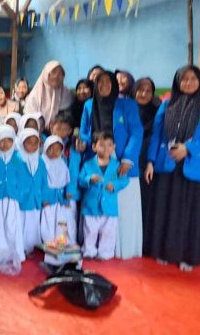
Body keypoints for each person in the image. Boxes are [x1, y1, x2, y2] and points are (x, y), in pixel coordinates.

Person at [144, 66, 200, 271]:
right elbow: (157, 135)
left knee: (191, 213)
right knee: (167, 210)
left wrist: (188, 149)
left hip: (194, 166)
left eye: (193, 79)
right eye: (184, 79)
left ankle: (188, 257)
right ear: (177, 82)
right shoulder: (167, 104)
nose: (188, 83)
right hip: (167, 164)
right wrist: (150, 161)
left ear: (199, 82)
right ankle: (163, 252)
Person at [80, 71, 143, 260]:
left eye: (108, 82)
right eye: (100, 82)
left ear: (114, 85)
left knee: (121, 202)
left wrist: (127, 159)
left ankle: (119, 248)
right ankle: (91, 247)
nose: (104, 86)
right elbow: (84, 132)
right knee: (97, 201)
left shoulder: (127, 105)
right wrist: (84, 142)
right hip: (97, 161)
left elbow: (136, 132)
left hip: (120, 163)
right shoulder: (89, 105)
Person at [79, 131, 130, 260]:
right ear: (94, 147)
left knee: (108, 231)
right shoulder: (88, 164)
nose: (106, 148)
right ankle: (89, 251)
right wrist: (89, 179)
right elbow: (80, 180)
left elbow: (124, 180)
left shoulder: (117, 165)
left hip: (110, 206)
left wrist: (115, 186)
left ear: (114, 147)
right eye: (102, 145)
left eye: (109, 145)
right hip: (91, 205)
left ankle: (105, 253)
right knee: (90, 230)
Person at [0, 125, 26, 267]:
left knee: (12, 226)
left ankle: (15, 253)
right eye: (1, 140)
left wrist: (18, 196)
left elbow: (21, 179)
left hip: (12, 198)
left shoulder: (18, 158)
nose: (5, 144)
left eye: (8, 140)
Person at [133, 77, 161, 242]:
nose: (143, 94)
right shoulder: (126, 109)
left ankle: (144, 241)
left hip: (147, 164)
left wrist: (150, 161)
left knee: (145, 201)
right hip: (127, 164)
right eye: (140, 90)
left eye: (148, 91)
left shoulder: (157, 111)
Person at [48, 113, 83, 244]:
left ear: (70, 131)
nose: (61, 132)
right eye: (58, 128)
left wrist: (70, 191)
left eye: (65, 129)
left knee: (68, 221)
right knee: (52, 221)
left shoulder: (73, 148)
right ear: (51, 127)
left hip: (68, 194)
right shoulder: (47, 146)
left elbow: (73, 171)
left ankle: (69, 245)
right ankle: (53, 246)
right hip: (53, 193)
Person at [17, 128, 48, 256]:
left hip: (35, 198)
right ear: (22, 142)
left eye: (36, 143)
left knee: (33, 223)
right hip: (21, 199)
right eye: (29, 142)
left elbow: (44, 180)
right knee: (20, 223)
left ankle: (30, 248)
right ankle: (19, 248)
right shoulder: (17, 159)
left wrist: (44, 197)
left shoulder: (40, 160)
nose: (33, 146)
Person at [24, 61, 74, 126]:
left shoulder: (66, 94)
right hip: (37, 129)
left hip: (60, 129)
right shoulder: (35, 95)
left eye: (60, 73)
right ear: (46, 75)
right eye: (53, 72)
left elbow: (67, 118)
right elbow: (30, 120)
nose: (56, 76)